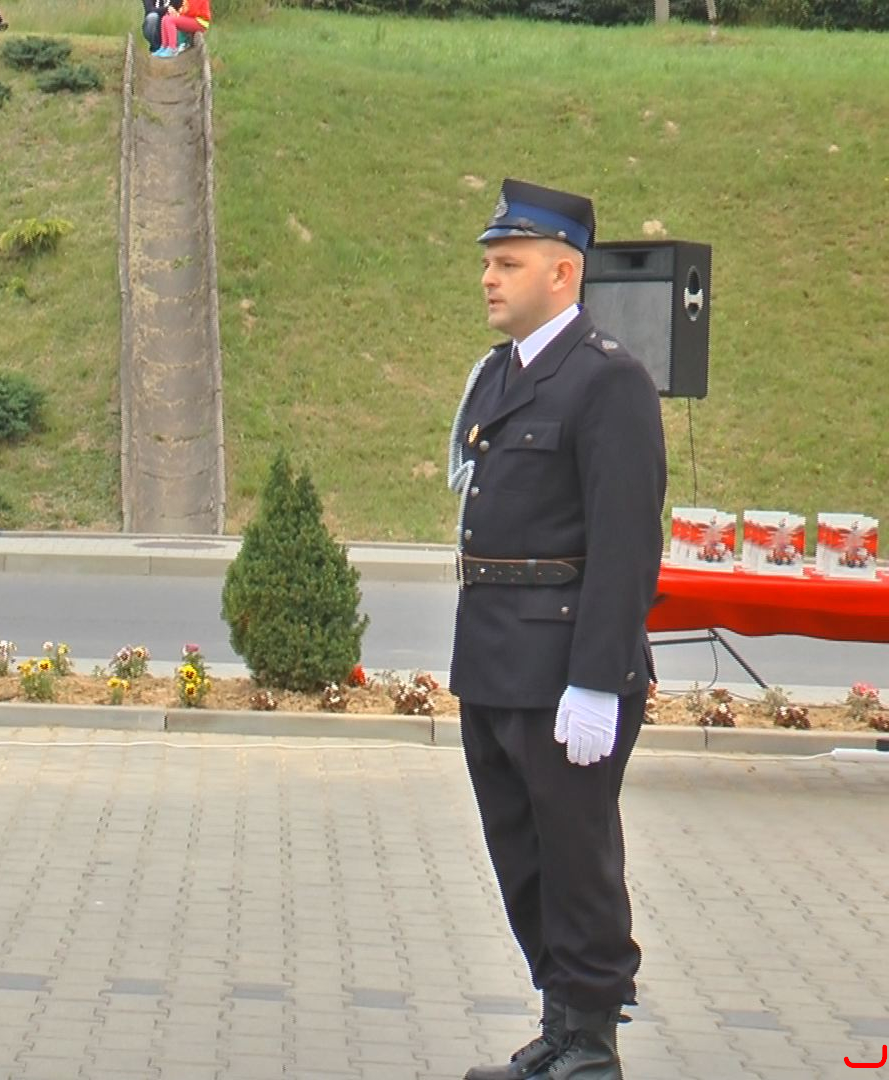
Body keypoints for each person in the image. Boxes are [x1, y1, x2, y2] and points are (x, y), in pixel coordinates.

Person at [447, 179, 665, 1080]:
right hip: (493, 657)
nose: (489, 279)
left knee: (577, 861)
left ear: (563, 274)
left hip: (564, 666)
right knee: (523, 857)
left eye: (509, 263)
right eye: (489, 264)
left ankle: (591, 1045)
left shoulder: (606, 379)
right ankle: (560, 1020)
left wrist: (598, 679)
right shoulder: (499, 374)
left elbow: (626, 542)